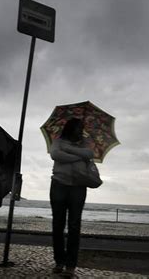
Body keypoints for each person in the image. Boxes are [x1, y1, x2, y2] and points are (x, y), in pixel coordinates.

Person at [49, 118, 94, 277]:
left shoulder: (85, 142)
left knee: (74, 226)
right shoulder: (58, 141)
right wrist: (78, 155)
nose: (80, 130)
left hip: (78, 187)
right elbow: (55, 155)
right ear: (70, 128)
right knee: (58, 224)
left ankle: (71, 265)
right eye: (78, 127)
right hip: (59, 185)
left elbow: (90, 153)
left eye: (81, 128)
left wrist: (69, 151)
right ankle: (59, 261)